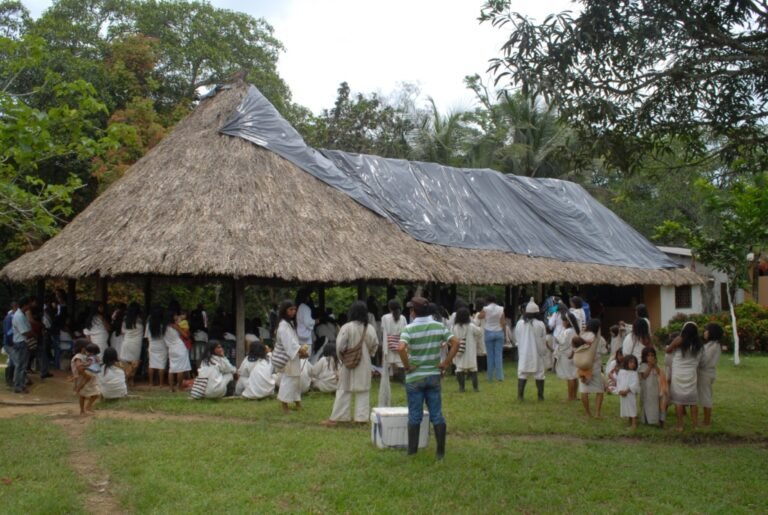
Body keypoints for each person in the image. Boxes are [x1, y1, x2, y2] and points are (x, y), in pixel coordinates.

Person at [397, 296, 461, 460]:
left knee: (415, 415)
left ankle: (412, 451)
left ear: (413, 312)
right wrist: (445, 363)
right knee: (437, 414)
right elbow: (456, 343)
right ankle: (440, 452)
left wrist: (407, 366)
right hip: (433, 375)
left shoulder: (409, 329)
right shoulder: (438, 326)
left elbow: (401, 348)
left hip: (415, 377)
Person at [322, 301, 379, 426]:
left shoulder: (346, 327)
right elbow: (374, 346)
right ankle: (361, 418)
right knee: (363, 390)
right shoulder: (370, 328)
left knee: (343, 389)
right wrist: (366, 354)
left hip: (348, 362)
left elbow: (340, 347)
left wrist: (343, 358)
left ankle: (339, 417)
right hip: (364, 363)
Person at [665, 321, 703, 432]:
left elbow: (667, 350)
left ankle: (680, 426)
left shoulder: (679, 341)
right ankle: (695, 425)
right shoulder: (699, 344)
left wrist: (674, 343)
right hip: (691, 374)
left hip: (678, 374)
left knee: (678, 401)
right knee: (693, 401)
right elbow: (699, 360)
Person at [275, 300, 308, 411]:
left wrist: (300, 352)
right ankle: (284, 406)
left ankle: (297, 402)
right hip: (288, 357)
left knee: (295, 380)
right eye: (291, 309)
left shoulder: (289, 324)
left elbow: (293, 342)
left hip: (293, 355)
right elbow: (289, 344)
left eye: (294, 309)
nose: (293, 312)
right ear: (285, 311)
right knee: (289, 379)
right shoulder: (283, 326)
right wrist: (300, 351)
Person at [514, 298, 547, 401]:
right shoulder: (540, 324)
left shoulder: (520, 323)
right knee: (539, 374)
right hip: (537, 353)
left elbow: (517, 338)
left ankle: (520, 396)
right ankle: (540, 396)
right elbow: (543, 340)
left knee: (522, 373)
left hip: (524, 352)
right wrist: (543, 352)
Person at [378, 299, 408, 406]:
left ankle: (387, 385)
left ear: (389, 308)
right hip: (400, 343)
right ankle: (403, 382)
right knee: (401, 364)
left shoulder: (385, 318)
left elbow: (384, 332)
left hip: (389, 344)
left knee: (387, 366)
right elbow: (405, 332)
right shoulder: (403, 317)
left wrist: (385, 347)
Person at [577, 319, 606, 418]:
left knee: (584, 390)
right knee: (599, 390)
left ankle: (588, 413)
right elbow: (604, 351)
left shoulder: (582, 336)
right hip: (596, 366)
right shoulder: (599, 339)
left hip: (584, 365)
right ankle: (597, 413)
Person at [698, 322, 723, 427]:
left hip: (706, 373)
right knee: (705, 395)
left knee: (706, 396)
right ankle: (706, 420)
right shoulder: (710, 345)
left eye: (706, 330)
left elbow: (704, 361)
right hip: (706, 372)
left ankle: (707, 421)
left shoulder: (713, 346)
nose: (704, 332)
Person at [452, 307, 482, 393]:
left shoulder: (455, 327)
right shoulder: (471, 326)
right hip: (470, 349)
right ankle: (475, 388)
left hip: (459, 350)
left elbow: (452, 337)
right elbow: (479, 333)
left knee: (459, 369)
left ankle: (461, 387)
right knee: (473, 369)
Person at [476, 294, 506, 382]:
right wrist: (504, 333)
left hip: (488, 331)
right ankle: (500, 376)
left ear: (487, 301)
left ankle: (490, 376)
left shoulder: (486, 309)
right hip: (499, 331)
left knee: (490, 356)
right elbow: (503, 322)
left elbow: (479, 316)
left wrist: (487, 315)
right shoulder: (501, 309)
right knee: (498, 355)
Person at [554, 310, 580, 401]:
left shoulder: (568, 331)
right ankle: (574, 396)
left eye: (563, 321)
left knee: (570, 377)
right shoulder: (575, 330)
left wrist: (556, 338)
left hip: (567, 355)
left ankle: (570, 397)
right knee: (574, 375)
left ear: (567, 322)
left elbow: (561, 341)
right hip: (573, 354)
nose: (562, 323)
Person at [638, 347, 667, 427]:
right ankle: (647, 420)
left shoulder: (655, 365)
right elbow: (644, 376)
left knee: (655, 404)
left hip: (655, 389)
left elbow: (659, 373)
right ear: (644, 357)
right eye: (648, 356)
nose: (650, 357)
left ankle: (655, 420)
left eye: (652, 355)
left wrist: (654, 365)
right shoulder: (643, 365)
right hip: (647, 390)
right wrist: (650, 366)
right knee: (647, 404)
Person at [165, 308, 192, 392]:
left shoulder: (164, 327)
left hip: (171, 348)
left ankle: (171, 388)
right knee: (180, 369)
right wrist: (179, 328)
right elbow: (186, 336)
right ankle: (179, 387)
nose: (177, 316)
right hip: (180, 347)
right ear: (172, 316)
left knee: (171, 368)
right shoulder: (175, 326)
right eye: (175, 315)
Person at [72, 341, 101, 415]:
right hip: (85, 376)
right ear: (83, 349)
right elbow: (79, 367)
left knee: (96, 393)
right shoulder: (79, 356)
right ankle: (82, 410)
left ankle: (88, 406)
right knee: (83, 395)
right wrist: (84, 366)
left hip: (91, 376)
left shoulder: (89, 357)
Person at [119, 302, 143, 387]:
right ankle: (131, 379)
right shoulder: (140, 319)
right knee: (135, 362)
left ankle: (125, 378)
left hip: (127, 341)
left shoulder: (126, 319)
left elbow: (122, 331)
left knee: (125, 362)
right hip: (136, 343)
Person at [145, 306, 167, 387]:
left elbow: (147, 336)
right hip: (162, 346)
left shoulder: (149, 324)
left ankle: (151, 383)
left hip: (152, 345)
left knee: (151, 364)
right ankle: (161, 384)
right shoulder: (163, 325)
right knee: (161, 364)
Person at [617, 354, 640, 429]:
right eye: (631, 362)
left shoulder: (634, 373)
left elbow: (635, 384)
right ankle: (630, 422)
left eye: (634, 363)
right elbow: (619, 381)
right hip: (622, 393)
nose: (633, 364)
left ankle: (634, 424)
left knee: (632, 407)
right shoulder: (621, 372)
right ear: (626, 362)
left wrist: (627, 391)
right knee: (627, 407)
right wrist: (620, 390)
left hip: (630, 394)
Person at [3, 301, 18, 388]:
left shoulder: (12, 316)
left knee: (12, 361)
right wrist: (11, 343)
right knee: (14, 361)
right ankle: (10, 380)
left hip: (11, 342)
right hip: (10, 343)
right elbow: (8, 333)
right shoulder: (10, 317)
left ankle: (10, 379)